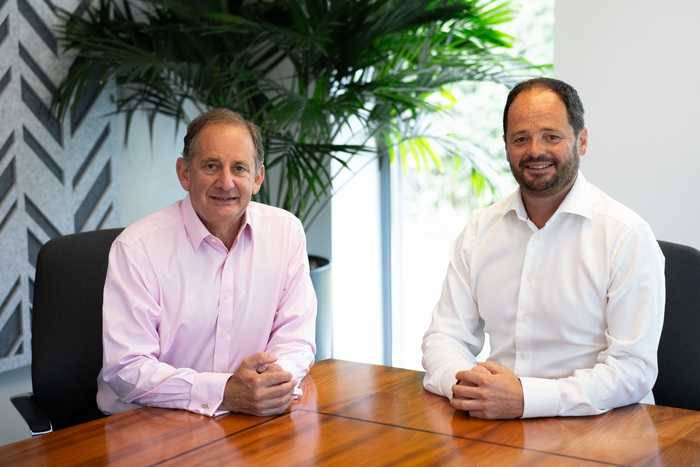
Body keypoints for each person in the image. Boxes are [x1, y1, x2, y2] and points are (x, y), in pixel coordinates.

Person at [421, 77, 665, 419]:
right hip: (496, 421)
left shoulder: (626, 236)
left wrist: (527, 398)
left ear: (581, 140)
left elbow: (632, 371)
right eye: (521, 138)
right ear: (506, 147)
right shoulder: (479, 231)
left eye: (551, 136)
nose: (535, 150)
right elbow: (445, 337)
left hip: (604, 429)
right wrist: (466, 386)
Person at [97, 109, 317, 417]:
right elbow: (127, 369)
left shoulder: (286, 232)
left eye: (239, 168)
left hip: (249, 417)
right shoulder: (137, 249)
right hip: (150, 422)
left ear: (257, 178)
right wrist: (224, 392)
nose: (225, 182)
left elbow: (296, 339)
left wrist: (269, 384)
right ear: (184, 173)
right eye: (211, 166)